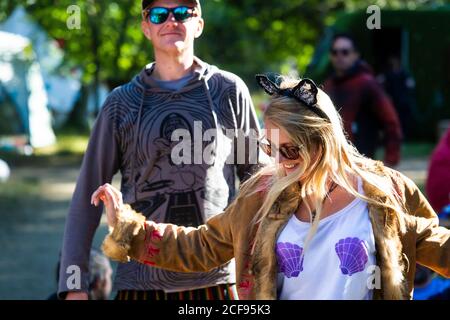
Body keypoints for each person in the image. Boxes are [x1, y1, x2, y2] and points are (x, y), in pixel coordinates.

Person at [93, 73, 450, 300]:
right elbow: (202, 246)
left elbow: (435, 244)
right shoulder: (261, 195)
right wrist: (128, 229)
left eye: (290, 149)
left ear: (323, 142)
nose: (279, 161)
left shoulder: (385, 191)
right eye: (270, 149)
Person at [59, 0, 264, 300]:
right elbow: (86, 197)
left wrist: (263, 271)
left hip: (216, 282)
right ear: (146, 27)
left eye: (182, 12)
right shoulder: (121, 104)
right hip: (140, 283)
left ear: (199, 24)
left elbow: (259, 187)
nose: (171, 20)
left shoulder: (229, 92)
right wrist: (73, 283)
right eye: (158, 14)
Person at [323, 33, 403, 167]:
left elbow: (391, 123)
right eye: (335, 52)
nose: (339, 56)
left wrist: (390, 160)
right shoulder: (327, 86)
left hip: (362, 163)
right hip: (333, 163)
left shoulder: (367, 84)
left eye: (345, 52)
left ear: (355, 55)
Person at [377, 55, 416, 140]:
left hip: (402, 101)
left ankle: (403, 136)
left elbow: (411, 84)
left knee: (402, 119)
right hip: (392, 101)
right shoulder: (389, 73)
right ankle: (393, 136)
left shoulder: (404, 73)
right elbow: (380, 81)